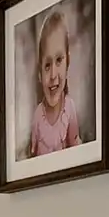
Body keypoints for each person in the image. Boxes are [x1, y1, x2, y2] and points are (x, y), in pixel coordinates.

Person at [29, 10, 81, 157]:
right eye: (47, 65)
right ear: (40, 74)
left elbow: (78, 155)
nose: (52, 75)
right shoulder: (37, 117)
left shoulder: (69, 109)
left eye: (59, 60)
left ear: (68, 62)